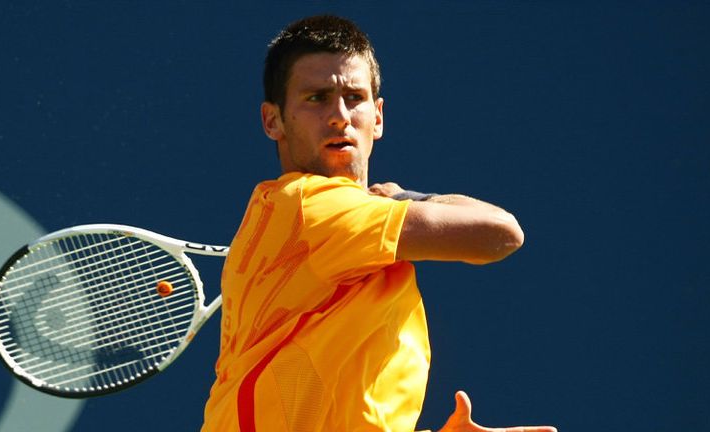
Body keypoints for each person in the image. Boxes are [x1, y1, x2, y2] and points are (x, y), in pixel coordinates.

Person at [201, 15, 556, 432]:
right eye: (316, 98)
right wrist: (404, 196)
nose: (340, 116)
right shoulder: (309, 206)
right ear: (272, 120)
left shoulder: (337, 241)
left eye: (354, 98)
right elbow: (500, 232)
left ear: (378, 116)